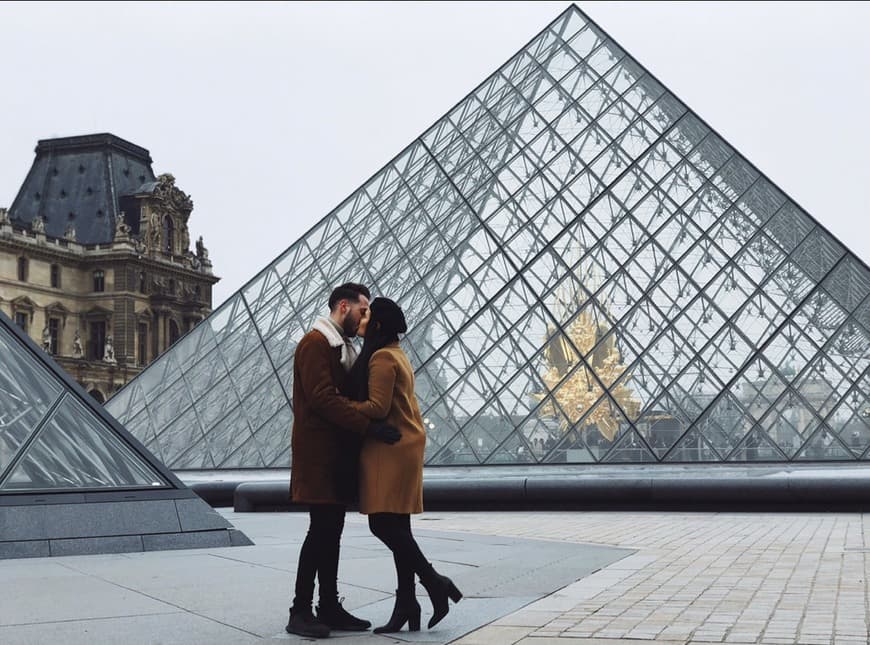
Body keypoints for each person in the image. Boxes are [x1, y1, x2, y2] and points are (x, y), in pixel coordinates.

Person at [287, 283, 402, 639]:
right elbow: (322, 399)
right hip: (320, 455)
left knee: (330, 532)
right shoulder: (315, 343)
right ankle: (300, 610)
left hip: (334, 455)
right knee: (320, 532)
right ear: (342, 306)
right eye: (362, 309)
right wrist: (369, 426)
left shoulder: (340, 345)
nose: (366, 317)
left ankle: (329, 606)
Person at [343, 297, 462, 634]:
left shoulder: (381, 357)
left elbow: (378, 408)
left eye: (368, 315)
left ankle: (434, 583)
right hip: (406, 445)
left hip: (389, 449)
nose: (363, 319)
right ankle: (407, 603)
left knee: (381, 526)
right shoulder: (398, 353)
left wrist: (343, 404)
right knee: (400, 529)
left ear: (378, 325)